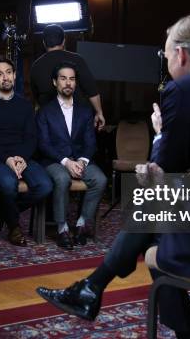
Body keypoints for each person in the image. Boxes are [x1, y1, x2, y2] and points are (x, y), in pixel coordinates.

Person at [36, 14, 190, 338]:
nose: (167, 64)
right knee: (158, 214)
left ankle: (94, 288)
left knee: (152, 210)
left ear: (180, 55)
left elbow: (162, 171)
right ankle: (92, 289)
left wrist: (160, 134)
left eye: (166, 57)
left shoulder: (184, 89)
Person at [0, 55, 53, 246]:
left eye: (9, 73)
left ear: (15, 75)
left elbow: (31, 137)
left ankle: (1, 214)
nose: (5, 77)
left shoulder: (25, 105)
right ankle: (14, 227)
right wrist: (6, 159)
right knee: (9, 185)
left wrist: (21, 158)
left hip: (21, 157)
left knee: (45, 186)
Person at [36, 63, 107, 250]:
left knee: (100, 179)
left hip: (80, 159)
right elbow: (44, 144)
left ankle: (81, 223)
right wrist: (67, 162)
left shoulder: (85, 110)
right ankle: (62, 228)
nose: (68, 83)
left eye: (72, 79)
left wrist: (82, 161)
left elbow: (91, 142)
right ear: (54, 82)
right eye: (63, 78)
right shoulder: (45, 111)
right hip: (54, 160)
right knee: (61, 178)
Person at [31, 24, 105, 130]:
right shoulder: (77, 60)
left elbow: (37, 98)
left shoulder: (35, 66)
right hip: (77, 120)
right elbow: (92, 90)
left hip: (50, 122)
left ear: (44, 42)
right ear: (64, 41)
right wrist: (99, 112)